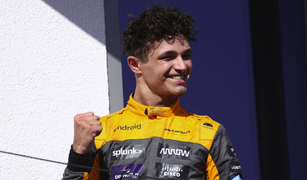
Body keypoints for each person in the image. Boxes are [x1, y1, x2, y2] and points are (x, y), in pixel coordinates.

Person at [62, 4, 243, 180]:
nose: (182, 66)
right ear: (135, 64)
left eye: (186, 56)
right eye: (168, 57)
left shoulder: (209, 132)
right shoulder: (103, 132)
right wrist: (78, 152)